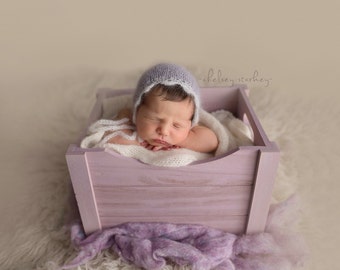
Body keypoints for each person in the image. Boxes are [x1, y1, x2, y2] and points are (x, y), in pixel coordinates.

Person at [103, 63, 218, 153]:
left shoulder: (187, 135)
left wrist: (182, 139)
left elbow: (211, 143)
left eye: (176, 125)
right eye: (155, 119)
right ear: (137, 111)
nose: (164, 131)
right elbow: (110, 137)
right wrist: (135, 142)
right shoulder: (132, 127)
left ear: (190, 125)